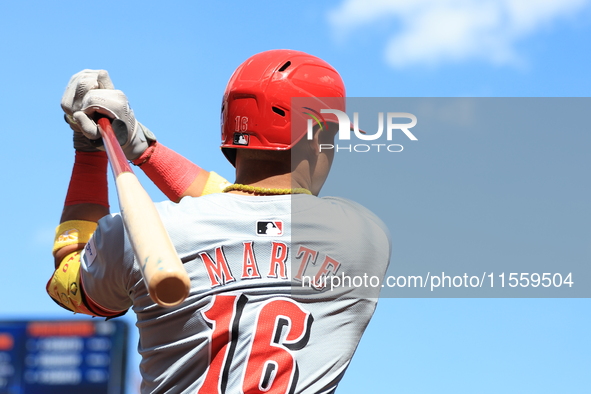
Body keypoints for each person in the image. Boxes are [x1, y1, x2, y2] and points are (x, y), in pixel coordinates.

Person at [48, 50, 391, 394]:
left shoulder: (140, 233)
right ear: (315, 137)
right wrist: (144, 150)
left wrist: (90, 152)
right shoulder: (363, 236)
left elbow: (68, 281)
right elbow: (238, 205)